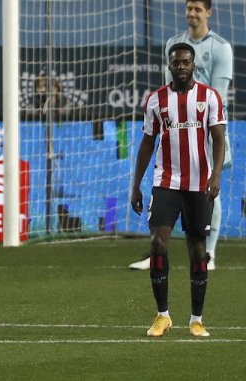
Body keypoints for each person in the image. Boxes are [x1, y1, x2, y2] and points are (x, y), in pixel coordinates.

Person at [130, 42, 226, 337]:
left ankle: (196, 319)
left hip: (199, 185)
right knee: (158, 243)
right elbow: (148, 143)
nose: (181, 66)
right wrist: (136, 185)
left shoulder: (209, 97)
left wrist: (216, 175)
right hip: (166, 183)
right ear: (169, 65)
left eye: (186, 62)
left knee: (197, 251)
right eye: (176, 62)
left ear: (193, 65)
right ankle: (162, 316)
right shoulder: (156, 100)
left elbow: (219, 139)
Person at [130, 0, 232, 271]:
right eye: (188, 8)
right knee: (169, 187)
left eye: (198, 9)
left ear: (208, 12)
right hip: (177, 125)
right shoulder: (173, 43)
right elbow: (170, 88)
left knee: (209, 185)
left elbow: (219, 94)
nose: (192, 13)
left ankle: (208, 253)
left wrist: (202, 119)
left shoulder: (221, 48)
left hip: (207, 124)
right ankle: (158, 250)